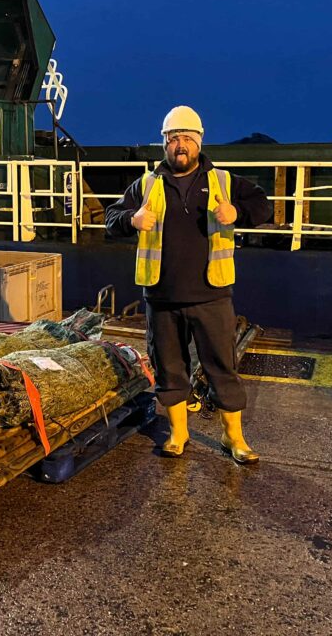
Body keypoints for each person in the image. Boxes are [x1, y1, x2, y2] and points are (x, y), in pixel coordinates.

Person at [105, 105, 272, 464]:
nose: (180, 145)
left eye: (187, 138)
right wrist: (132, 219)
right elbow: (111, 217)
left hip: (211, 296)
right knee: (169, 368)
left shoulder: (223, 182)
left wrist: (237, 214)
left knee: (221, 367)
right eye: (173, 138)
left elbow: (263, 205)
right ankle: (178, 434)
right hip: (162, 297)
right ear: (164, 143)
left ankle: (234, 439)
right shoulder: (146, 185)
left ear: (199, 141)